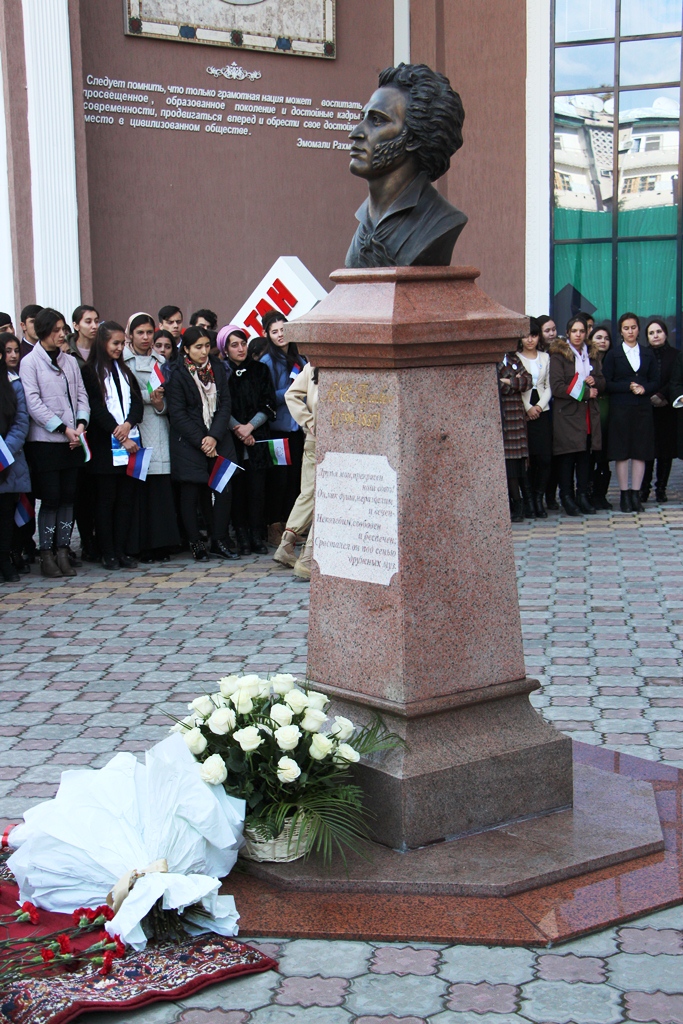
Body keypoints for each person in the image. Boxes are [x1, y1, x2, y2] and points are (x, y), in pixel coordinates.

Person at [346, 62, 467, 267]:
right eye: (363, 117)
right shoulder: (364, 222)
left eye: (377, 121)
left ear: (413, 138)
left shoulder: (440, 222)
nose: (355, 133)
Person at [19, 308, 89, 577]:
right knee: (50, 498)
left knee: (69, 497)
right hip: (47, 441)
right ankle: (46, 553)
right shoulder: (30, 362)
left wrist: (80, 425)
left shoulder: (69, 361)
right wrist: (62, 428)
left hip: (73, 439)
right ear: (43, 331)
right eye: (56, 329)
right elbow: (33, 402)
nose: (62, 334)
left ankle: (63, 550)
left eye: (63, 329)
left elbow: (80, 395)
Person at [166, 325, 239, 561]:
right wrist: (202, 440)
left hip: (218, 438)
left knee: (224, 489)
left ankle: (218, 539)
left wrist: (214, 436)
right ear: (186, 349)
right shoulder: (177, 373)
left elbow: (225, 404)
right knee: (191, 492)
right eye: (198, 347)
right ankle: (196, 542)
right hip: (190, 443)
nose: (204, 351)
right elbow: (177, 414)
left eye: (207, 345)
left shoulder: (217, 367)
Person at [82, 322, 144, 569]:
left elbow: (137, 403)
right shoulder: (90, 372)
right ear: (102, 343)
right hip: (105, 447)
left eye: (122, 343)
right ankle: (107, 551)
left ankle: (121, 549)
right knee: (106, 501)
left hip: (130, 443)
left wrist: (128, 424)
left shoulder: (126, 372)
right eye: (115, 343)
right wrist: (119, 433)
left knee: (126, 501)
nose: (119, 348)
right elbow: (96, 408)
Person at [123, 312, 180, 562]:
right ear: (131, 334)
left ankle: (162, 543)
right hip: (135, 427)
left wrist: (160, 405)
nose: (145, 338)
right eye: (140, 333)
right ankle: (140, 545)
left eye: (149, 332)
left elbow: (170, 398)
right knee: (139, 488)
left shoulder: (161, 361)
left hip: (159, 425)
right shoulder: (123, 361)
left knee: (160, 489)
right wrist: (149, 399)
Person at [219, 325, 276, 555]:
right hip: (231, 438)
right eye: (234, 345)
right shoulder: (220, 372)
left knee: (257, 488)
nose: (241, 349)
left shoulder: (260, 370)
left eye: (243, 343)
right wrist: (237, 428)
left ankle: (256, 533)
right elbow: (219, 405)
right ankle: (240, 533)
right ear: (225, 349)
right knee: (237, 488)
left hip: (257, 437)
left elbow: (268, 402)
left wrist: (250, 427)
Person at [602, 312, 658, 514]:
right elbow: (607, 383)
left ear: (638, 329)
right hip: (621, 408)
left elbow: (654, 380)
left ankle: (636, 494)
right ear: (621, 331)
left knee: (640, 452)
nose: (630, 331)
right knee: (622, 453)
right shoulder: (613, 354)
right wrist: (628, 386)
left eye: (633, 327)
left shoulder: (647, 353)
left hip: (642, 408)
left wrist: (644, 388)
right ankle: (624, 495)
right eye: (626, 328)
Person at [259, 310, 307, 547]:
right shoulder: (268, 361)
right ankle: (273, 527)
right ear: (266, 334)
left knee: (294, 480)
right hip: (278, 431)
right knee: (278, 481)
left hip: (298, 428)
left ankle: (292, 527)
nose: (280, 335)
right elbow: (266, 398)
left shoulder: (300, 359)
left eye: (283, 330)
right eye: (274, 331)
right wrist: (292, 388)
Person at [549, 316, 605, 516]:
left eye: (582, 331)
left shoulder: (592, 353)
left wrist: (595, 382)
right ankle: (567, 497)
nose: (579, 335)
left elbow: (602, 381)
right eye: (575, 331)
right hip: (567, 415)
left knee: (584, 456)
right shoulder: (558, 355)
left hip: (588, 414)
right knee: (567, 457)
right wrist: (584, 393)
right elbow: (557, 387)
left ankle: (582, 495)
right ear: (568, 333)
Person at [276, 362, 319, 579]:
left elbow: (291, 395)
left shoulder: (312, 365)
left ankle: (286, 544)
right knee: (323, 497)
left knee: (309, 493)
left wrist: (308, 421)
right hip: (324, 437)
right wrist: (309, 421)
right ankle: (307, 557)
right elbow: (290, 394)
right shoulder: (316, 366)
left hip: (315, 437)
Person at [0, 334, 33, 569]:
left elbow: (21, 422)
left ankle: (8, 557)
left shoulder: (14, 384)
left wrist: (4, 452)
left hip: (8, 460)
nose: (12, 356)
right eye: (7, 351)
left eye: (15, 350)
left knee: (7, 514)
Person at [518, 318, 552, 518]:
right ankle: (529, 500)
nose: (529, 340)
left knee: (545, 458)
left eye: (533, 335)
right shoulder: (514, 358)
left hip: (543, 411)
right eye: (525, 336)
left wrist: (539, 406)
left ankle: (539, 498)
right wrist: (528, 408)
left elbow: (549, 385)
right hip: (524, 412)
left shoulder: (546, 357)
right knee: (527, 459)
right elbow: (516, 387)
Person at [640, 318, 676, 504]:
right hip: (647, 408)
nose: (655, 336)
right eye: (651, 333)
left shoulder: (676, 355)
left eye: (659, 332)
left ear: (665, 334)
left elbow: (677, 380)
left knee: (665, 451)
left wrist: (662, 395)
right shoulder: (642, 354)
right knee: (647, 451)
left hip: (668, 409)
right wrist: (651, 396)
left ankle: (661, 488)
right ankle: (643, 489)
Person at [497, 350, 533, 522]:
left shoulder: (513, 357)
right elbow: (497, 385)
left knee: (520, 464)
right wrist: (515, 381)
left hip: (517, 418)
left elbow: (528, 381)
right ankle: (515, 502)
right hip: (504, 416)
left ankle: (526, 503)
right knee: (509, 466)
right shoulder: (492, 359)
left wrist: (509, 382)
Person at [588, 325, 613, 509]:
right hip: (591, 412)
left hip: (610, 414)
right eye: (598, 337)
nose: (602, 341)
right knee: (590, 457)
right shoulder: (585, 359)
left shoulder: (615, 359)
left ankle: (601, 494)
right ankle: (588, 493)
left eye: (606, 338)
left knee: (605, 458)